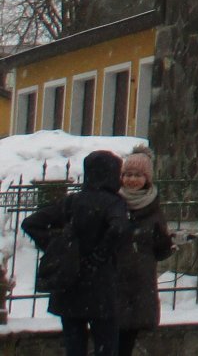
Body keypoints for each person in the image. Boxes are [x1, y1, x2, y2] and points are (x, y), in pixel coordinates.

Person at [23, 149, 132, 356]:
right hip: (100, 285)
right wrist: (100, 254)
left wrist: (57, 247)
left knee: (74, 347)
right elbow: (119, 228)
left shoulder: (72, 201)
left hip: (69, 283)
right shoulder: (113, 202)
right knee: (106, 346)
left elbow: (31, 223)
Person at [113, 150, 173, 356]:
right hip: (114, 277)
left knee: (128, 339)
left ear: (147, 178)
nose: (132, 180)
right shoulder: (113, 204)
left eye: (137, 175)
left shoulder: (153, 208)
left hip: (140, 281)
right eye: (128, 174)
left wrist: (166, 242)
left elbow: (160, 249)